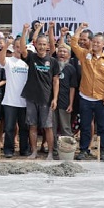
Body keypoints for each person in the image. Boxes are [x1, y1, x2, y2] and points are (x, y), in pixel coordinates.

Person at [70, 23, 104, 161]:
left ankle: (103, 151)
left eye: (98, 42)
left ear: (103, 44)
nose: (95, 44)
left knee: (102, 127)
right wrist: (79, 30)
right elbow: (73, 43)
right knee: (85, 126)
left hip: (101, 99)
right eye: (93, 41)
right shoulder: (84, 55)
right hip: (85, 98)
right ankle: (83, 150)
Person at [20, 22, 60, 160]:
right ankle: (34, 152)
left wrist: (55, 98)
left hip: (47, 99)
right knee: (32, 126)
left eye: (45, 44)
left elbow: (56, 81)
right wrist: (24, 31)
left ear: (48, 46)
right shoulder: (31, 57)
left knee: (48, 127)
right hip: (31, 97)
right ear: (36, 44)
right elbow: (22, 49)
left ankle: (49, 153)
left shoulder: (53, 61)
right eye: (40, 44)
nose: (42, 47)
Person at [0, 37, 30, 158]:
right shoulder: (9, 60)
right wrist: (6, 45)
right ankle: (8, 150)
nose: (19, 49)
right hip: (10, 101)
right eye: (17, 47)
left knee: (24, 128)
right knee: (9, 128)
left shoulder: (27, 62)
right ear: (14, 48)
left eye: (21, 47)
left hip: (25, 101)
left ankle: (24, 150)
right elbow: (1, 60)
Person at [53, 43, 78, 154]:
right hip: (52, 102)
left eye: (64, 52)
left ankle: (67, 150)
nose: (62, 54)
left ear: (69, 54)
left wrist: (71, 104)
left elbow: (73, 87)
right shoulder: (53, 66)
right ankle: (53, 149)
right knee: (52, 127)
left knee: (65, 127)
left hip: (65, 101)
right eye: (60, 51)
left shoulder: (71, 68)